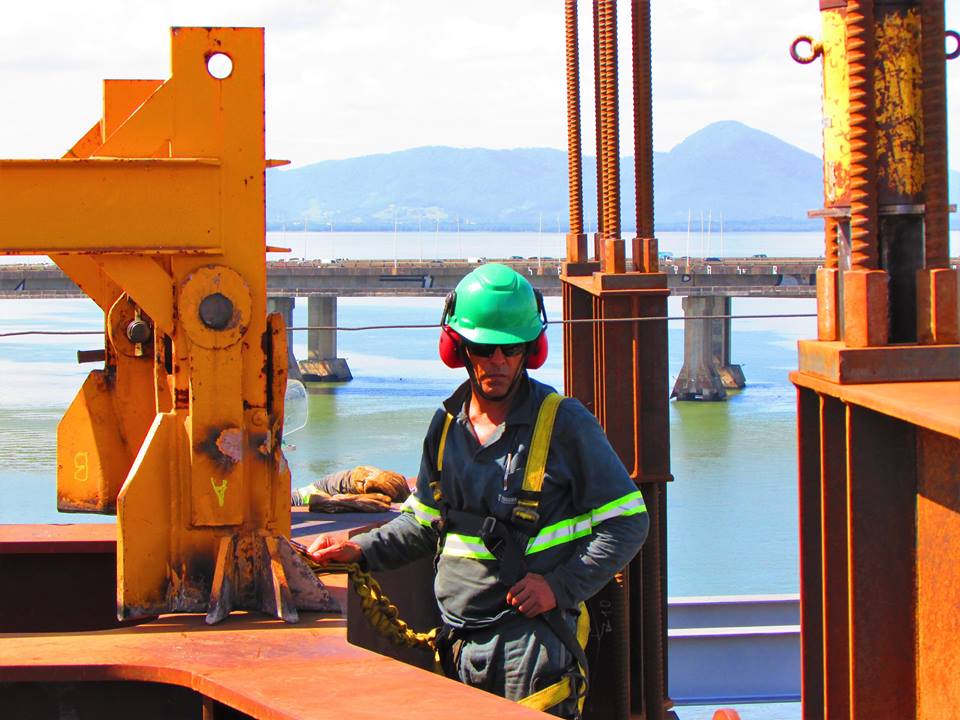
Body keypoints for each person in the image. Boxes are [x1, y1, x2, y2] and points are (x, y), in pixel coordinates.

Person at [309, 263, 648, 718]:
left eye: (512, 348)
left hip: (528, 650)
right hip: (458, 643)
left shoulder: (565, 424)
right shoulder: (447, 427)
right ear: (459, 349)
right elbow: (424, 524)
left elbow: (629, 522)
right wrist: (357, 550)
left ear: (531, 349)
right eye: (484, 348)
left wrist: (560, 587)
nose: (499, 361)